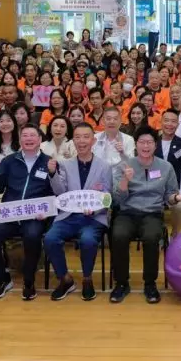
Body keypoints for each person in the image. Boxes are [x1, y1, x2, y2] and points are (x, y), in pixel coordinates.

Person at [110, 127, 181, 304]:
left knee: (152, 237)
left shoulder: (165, 167)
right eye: (142, 142)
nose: (145, 146)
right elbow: (118, 199)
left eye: (149, 142)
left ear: (155, 145)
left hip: (152, 213)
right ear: (136, 145)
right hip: (127, 212)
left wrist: (177, 198)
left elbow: (170, 195)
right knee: (118, 235)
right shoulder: (125, 165)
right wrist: (125, 180)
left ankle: (150, 284)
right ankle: (121, 283)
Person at [0, 126, 57, 301]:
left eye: (33, 135)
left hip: (35, 216)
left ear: (40, 140)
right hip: (9, 213)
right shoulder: (9, 161)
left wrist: (47, 212)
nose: (28, 139)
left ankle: (29, 281)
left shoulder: (49, 162)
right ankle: (2, 277)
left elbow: (56, 192)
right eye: (25, 135)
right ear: (20, 139)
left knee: (32, 236)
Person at [45, 122, 113, 302]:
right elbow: (60, 192)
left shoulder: (104, 166)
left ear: (93, 140)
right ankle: (65, 279)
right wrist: (52, 173)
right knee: (50, 239)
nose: (81, 141)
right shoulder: (65, 165)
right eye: (77, 137)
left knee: (88, 240)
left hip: (94, 217)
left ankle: (87, 279)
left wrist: (96, 209)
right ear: (73, 141)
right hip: (68, 216)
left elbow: (107, 197)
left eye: (86, 137)